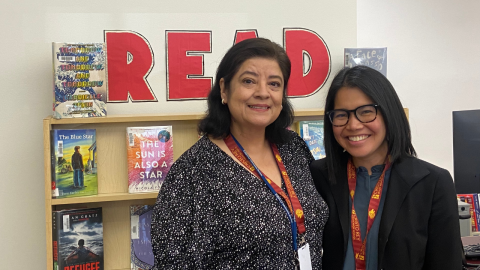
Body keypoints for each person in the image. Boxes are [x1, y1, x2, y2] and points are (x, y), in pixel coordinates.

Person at [151, 38, 328, 269]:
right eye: (249, 81)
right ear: (224, 89)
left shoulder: (294, 148)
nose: (263, 93)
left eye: (274, 84)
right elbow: (174, 262)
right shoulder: (193, 171)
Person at [310, 66, 463, 270]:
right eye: (341, 115)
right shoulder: (317, 176)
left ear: (388, 113)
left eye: (366, 112)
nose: (353, 125)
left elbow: (446, 263)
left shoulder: (432, 183)